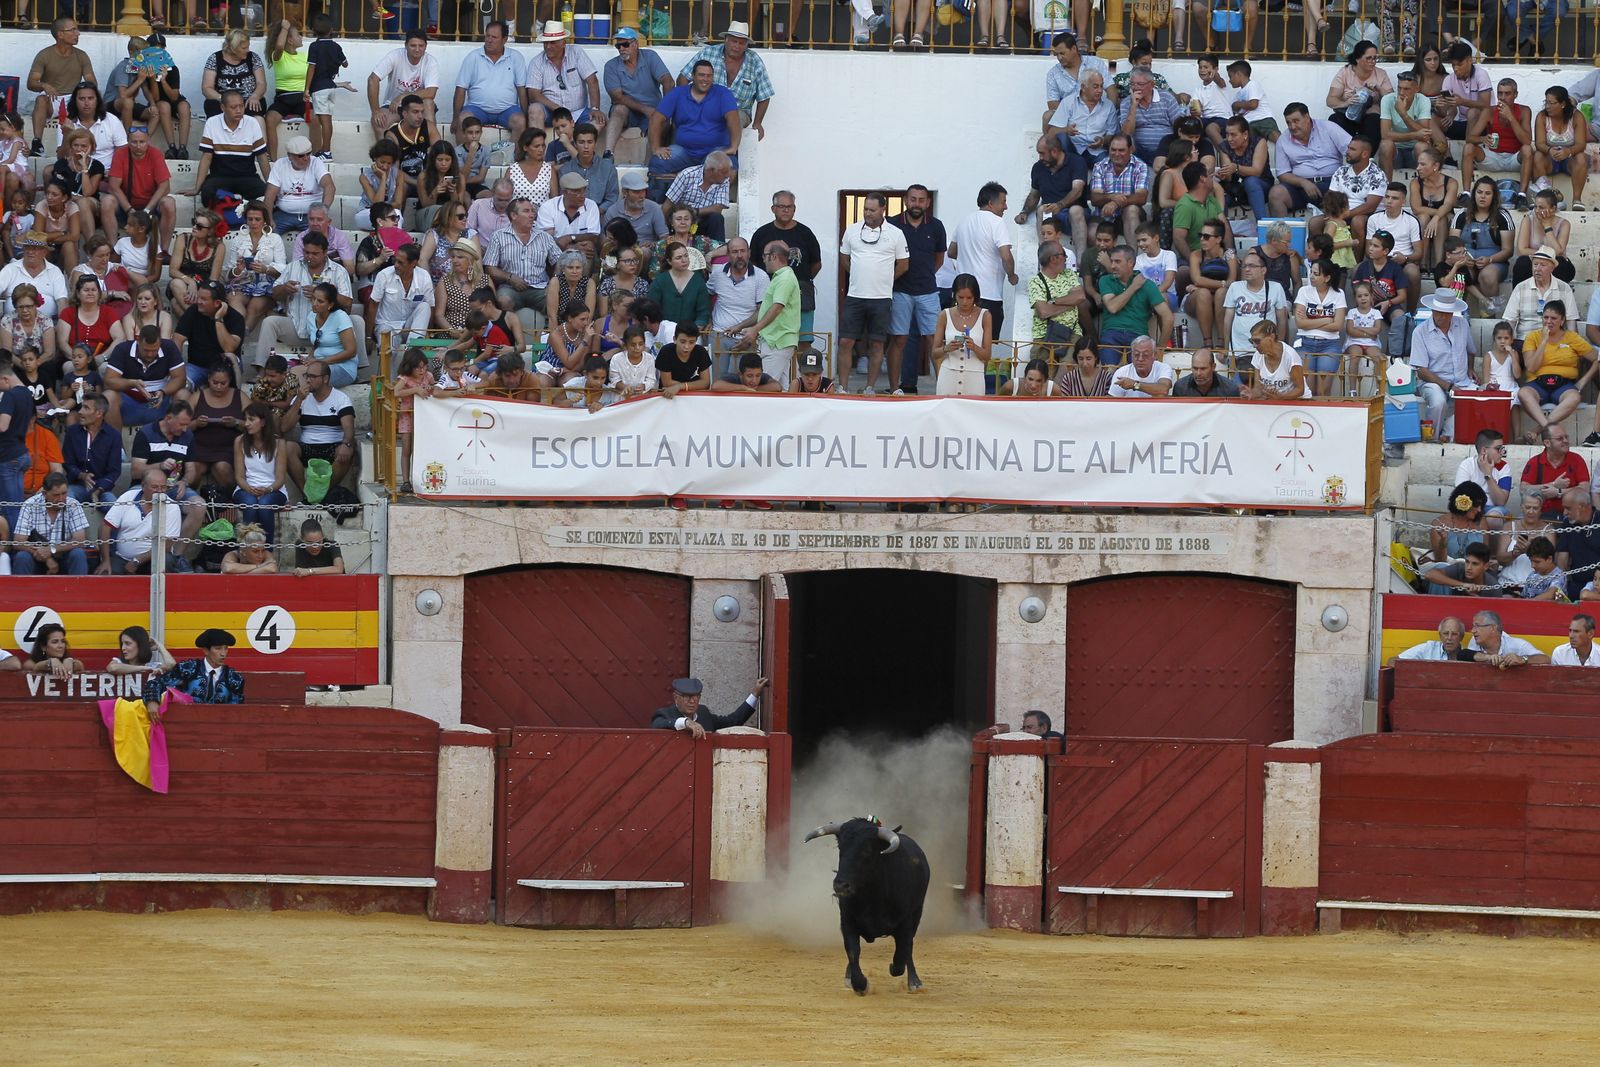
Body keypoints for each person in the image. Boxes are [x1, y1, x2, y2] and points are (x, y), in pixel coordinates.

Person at [838, 192, 909, 395]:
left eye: (872, 210)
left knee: (877, 344)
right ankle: (843, 387)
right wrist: (861, 276)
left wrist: (884, 279)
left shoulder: (895, 233)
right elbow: (845, 260)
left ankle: (869, 387)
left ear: (883, 209)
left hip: (881, 298)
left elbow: (904, 265)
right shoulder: (851, 231)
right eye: (865, 209)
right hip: (855, 296)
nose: (868, 213)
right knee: (846, 341)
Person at [648, 60, 740, 199]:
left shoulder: (723, 93)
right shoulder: (678, 93)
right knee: (658, 162)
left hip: (714, 150)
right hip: (684, 151)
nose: (705, 79)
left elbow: (734, 120)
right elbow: (656, 119)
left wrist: (733, 147)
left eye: (709, 76)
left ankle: (711, 203)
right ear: (693, 76)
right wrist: (656, 147)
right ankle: (660, 204)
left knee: (730, 166)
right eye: (701, 75)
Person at [676, 22, 773, 140]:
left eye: (741, 43)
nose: (737, 46)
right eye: (734, 41)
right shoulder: (709, 53)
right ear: (726, 40)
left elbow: (764, 95)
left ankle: (723, 155)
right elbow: (683, 78)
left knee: (731, 120)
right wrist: (688, 104)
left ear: (746, 45)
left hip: (739, 111)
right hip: (706, 105)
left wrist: (758, 123)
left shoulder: (755, 61)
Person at [1516, 301, 1594, 442]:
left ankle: (1538, 430)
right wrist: (1544, 341)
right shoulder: (1533, 337)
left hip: (1564, 385)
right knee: (1523, 393)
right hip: (1537, 383)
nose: (1549, 321)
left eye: (1553, 318)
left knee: (1574, 397)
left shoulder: (1572, 337)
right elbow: (1531, 367)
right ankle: (1549, 429)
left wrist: (1584, 380)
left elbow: (1596, 358)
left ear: (1562, 320)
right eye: (1546, 317)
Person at [948, 182, 1017, 340]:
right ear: (991, 204)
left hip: (962, 294)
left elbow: (951, 252)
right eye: (1003, 202)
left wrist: (968, 254)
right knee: (985, 346)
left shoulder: (964, 221)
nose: (1005, 207)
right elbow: (1006, 256)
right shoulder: (997, 222)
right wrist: (1012, 276)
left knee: (962, 344)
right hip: (988, 295)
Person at [1406, 291, 1476, 435]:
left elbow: (1471, 351)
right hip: (1431, 382)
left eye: (1446, 313)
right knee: (1438, 402)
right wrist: (1449, 386)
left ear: (1452, 313)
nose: (1442, 316)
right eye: (1439, 312)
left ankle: (1450, 434)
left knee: (1479, 400)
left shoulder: (1462, 324)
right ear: (1432, 310)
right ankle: (1433, 437)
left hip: (1462, 381)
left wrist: (1470, 368)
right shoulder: (1420, 332)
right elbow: (1422, 371)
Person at [26, 18, 95, 159]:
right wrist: (44, 85)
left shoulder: (81, 56)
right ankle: (37, 143)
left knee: (84, 100)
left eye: (77, 29)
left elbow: (91, 82)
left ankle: (67, 151)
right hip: (53, 99)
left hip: (73, 99)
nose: (78, 33)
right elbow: (31, 83)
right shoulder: (44, 55)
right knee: (41, 99)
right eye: (73, 30)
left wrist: (80, 92)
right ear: (60, 34)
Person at [284, 363, 355, 495]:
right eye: (306, 376)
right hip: (308, 446)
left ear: (325, 379)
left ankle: (322, 495)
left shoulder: (341, 398)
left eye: (312, 376)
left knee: (347, 450)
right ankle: (306, 493)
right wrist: (299, 400)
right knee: (287, 448)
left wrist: (346, 443)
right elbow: (284, 427)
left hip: (332, 447)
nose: (308, 380)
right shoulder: (302, 398)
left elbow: (349, 428)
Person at [1268, 103, 1350, 217]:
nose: (1292, 126)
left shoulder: (1329, 128)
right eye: (1288, 123)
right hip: (1301, 186)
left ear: (1307, 118)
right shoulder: (1283, 140)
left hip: (1332, 183)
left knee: (1348, 193)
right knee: (1276, 194)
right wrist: (1303, 182)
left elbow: (1353, 150)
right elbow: (1282, 174)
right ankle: (1282, 233)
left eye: (1296, 121)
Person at [603, 28, 674, 156]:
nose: (621, 49)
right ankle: (608, 154)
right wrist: (645, 109)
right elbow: (617, 97)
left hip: (653, 110)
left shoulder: (650, 56)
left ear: (635, 44)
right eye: (618, 46)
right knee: (619, 109)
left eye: (625, 44)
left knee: (661, 120)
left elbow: (668, 81)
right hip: (629, 111)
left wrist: (666, 109)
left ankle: (650, 164)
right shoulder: (611, 66)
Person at [451, 21, 527, 140]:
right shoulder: (473, 57)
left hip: (507, 110)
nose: (489, 40)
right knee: (463, 119)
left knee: (521, 121)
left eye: (494, 37)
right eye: (487, 36)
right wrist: (455, 117)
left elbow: (522, 90)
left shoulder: (516, 57)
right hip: (477, 109)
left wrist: (526, 114)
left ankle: (514, 158)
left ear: (504, 39)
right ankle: (463, 158)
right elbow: (461, 88)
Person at [192, 90, 269, 205]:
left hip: (247, 177)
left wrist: (271, 185)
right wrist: (196, 188)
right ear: (223, 107)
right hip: (219, 176)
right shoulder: (212, 122)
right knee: (207, 193)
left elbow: (262, 158)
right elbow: (206, 157)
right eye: (233, 107)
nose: (238, 110)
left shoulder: (252, 123)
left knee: (265, 195)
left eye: (241, 106)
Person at [1097, 245, 1169, 365]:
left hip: (1138, 335)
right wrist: (1134, 287)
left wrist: (1160, 348)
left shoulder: (1147, 284)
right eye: (1111, 261)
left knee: (1140, 373)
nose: (1112, 266)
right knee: (1109, 373)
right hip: (1112, 333)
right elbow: (1113, 307)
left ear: (1130, 262)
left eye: (1117, 261)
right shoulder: (1105, 280)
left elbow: (1168, 317)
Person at [9, 472, 88, 575]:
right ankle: (21, 591)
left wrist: (51, 549)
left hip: (64, 557)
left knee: (78, 554)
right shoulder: (30, 504)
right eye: (56, 495)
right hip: (37, 558)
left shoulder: (73, 504)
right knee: (22, 557)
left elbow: (80, 540)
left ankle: (79, 590)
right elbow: (18, 541)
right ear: (45, 493)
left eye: (64, 493)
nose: (61, 499)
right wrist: (47, 558)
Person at [368, 30, 440, 138]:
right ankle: (385, 154)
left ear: (426, 46)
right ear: (405, 45)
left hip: (418, 106)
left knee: (429, 104)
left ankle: (432, 152)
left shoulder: (431, 62)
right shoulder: (395, 55)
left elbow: (431, 92)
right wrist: (375, 111)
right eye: (413, 45)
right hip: (394, 106)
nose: (417, 49)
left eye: (421, 46)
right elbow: (372, 80)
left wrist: (404, 96)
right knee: (379, 122)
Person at [650, 675, 769, 736]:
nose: (692, 701)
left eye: (696, 697)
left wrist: (755, 694)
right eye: (687, 697)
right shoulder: (665, 714)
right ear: (676, 697)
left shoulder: (703, 713)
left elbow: (733, 721)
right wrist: (686, 722)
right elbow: (658, 724)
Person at [1087, 134, 1150, 248]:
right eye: (1113, 150)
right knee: (1092, 233)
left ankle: (1131, 260)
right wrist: (1112, 197)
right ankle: (1100, 264)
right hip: (1103, 216)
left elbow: (1141, 197)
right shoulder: (1099, 166)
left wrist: (1116, 202)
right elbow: (1095, 198)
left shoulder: (1140, 166)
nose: (1116, 154)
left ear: (1131, 150)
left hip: (1128, 216)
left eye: (1121, 150)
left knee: (1131, 210)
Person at [1379, 71, 1445, 176]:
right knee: (1385, 145)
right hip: (1395, 150)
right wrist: (1414, 135)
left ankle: (1422, 187)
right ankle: (1388, 188)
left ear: (1416, 89)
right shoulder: (1387, 100)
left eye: (1406, 89)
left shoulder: (1423, 100)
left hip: (1415, 152)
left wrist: (1403, 114)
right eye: (1399, 88)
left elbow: (1425, 136)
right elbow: (1385, 135)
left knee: (1422, 146)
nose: (1401, 92)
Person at [154, 629, 246, 704]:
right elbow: (156, 684)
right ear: (206, 650)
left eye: (226, 648)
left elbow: (236, 709)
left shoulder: (234, 679)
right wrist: (152, 702)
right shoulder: (188, 669)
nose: (223, 653)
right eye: (218, 648)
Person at [1521, 425, 1589, 521]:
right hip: (1540, 517)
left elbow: (1585, 489)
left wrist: (1558, 492)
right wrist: (1553, 484)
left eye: (1566, 437)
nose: (1565, 441)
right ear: (1547, 443)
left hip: (1572, 517)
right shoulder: (1535, 462)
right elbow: (1523, 490)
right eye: (1560, 438)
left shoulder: (1577, 460)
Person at [1245, 320, 1310, 400]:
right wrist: (1251, 394)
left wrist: (1281, 397)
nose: (1254, 345)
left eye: (1257, 341)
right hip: (1276, 401)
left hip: (1298, 401)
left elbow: (1300, 390)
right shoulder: (1258, 355)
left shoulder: (1290, 356)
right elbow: (1258, 388)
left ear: (1271, 337)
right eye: (1252, 341)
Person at [1556, 489, 1600, 603]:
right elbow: (1562, 559)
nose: (1564, 513)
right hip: (1577, 585)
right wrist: (1559, 584)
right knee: (1556, 597)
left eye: (1568, 508)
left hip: (1598, 587)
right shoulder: (1568, 523)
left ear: (1582, 506)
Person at [1463, 610, 1550, 668]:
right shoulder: (1474, 640)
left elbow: (1546, 659)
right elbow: (1464, 654)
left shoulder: (1517, 645)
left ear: (1493, 628)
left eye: (1477, 626)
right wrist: (1488, 657)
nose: (1473, 631)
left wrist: (1522, 659)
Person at [1109, 336, 1174, 398]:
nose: (1140, 359)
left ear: (1155, 355)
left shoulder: (1163, 368)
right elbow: (1113, 402)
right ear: (1131, 355)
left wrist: (1135, 385)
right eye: (1136, 355)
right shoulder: (1122, 372)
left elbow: (1163, 390)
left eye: (1145, 355)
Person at [107, 626, 177, 676]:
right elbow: (113, 668)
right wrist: (143, 669)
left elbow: (171, 665)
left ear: (140, 645)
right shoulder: (119, 662)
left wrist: (160, 646)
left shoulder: (151, 666)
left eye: (127, 643)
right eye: (122, 644)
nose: (123, 648)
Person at [1171, 348, 1239, 398]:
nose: (1198, 373)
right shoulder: (1180, 387)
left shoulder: (1230, 389)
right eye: (1195, 368)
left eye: (1203, 369)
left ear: (1213, 367)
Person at [1394, 617, 1467, 662]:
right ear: (1440, 636)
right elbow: (1393, 661)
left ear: (1461, 637)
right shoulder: (1429, 648)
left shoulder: (1469, 655)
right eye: (1445, 633)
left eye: (1454, 634)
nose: (1449, 638)